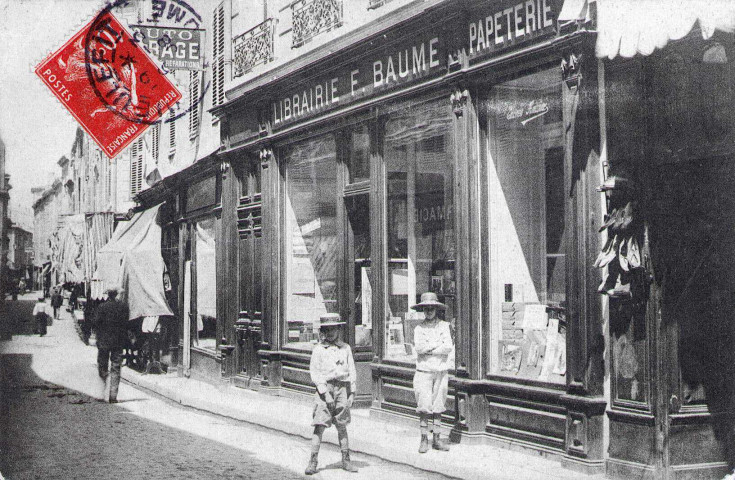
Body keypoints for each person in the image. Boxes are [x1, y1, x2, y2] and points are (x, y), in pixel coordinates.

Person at [305, 313, 358, 475]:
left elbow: (352, 370)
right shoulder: (319, 350)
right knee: (320, 425)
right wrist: (325, 393)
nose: (330, 333)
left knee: (342, 425)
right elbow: (315, 373)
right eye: (326, 329)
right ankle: (313, 461)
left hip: (342, 388)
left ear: (339, 329)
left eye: (333, 329)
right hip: (325, 389)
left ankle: (346, 460)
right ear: (322, 331)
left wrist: (352, 392)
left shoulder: (346, 348)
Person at [411, 292, 454, 453]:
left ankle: (436, 438)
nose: (429, 311)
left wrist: (430, 348)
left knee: (438, 405)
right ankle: (424, 439)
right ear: (422, 310)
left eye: (432, 308)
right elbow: (419, 348)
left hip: (441, 370)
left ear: (437, 309)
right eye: (426, 308)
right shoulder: (418, 328)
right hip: (423, 371)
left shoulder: (444, 326)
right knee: (424, 405)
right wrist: (437, 346)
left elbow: (448, 347)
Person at [93, 287, 129, 403]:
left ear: (108, 294)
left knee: (102, 365)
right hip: (118, 341)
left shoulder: (102, 307)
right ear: (117, 294)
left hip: (104, 341)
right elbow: (126, 323)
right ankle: (113, 396)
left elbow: (96, 323)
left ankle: (101, 392)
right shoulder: (123, 307)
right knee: (116, 367)